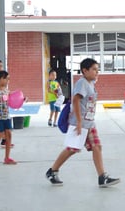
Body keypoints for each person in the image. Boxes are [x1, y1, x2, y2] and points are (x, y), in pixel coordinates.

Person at [45, 58, 120, 187]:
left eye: (98, 69)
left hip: (89, 123)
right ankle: (52, 171)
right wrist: (79, 122)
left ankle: (102, 177)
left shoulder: (91, 83)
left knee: (97, 146)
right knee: (72, 149)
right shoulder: (82, 83)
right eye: (94, 69)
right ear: (84, 71)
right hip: (79, 123)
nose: (97, 72)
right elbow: (75, 100)